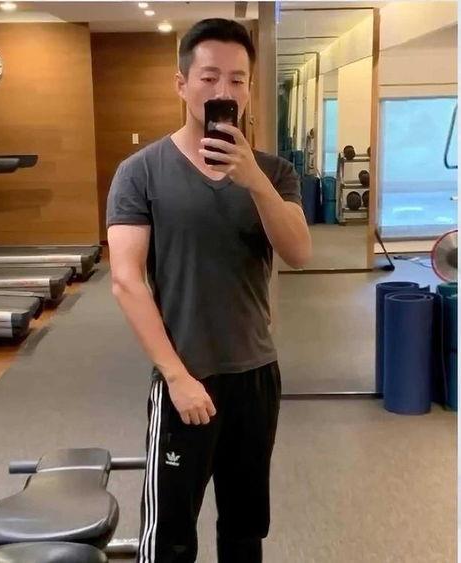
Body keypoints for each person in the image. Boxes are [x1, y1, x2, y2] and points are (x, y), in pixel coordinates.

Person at [107, 18, 312, 563]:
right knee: (170, 535)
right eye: (209, 77)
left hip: (256, 375)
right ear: (181, 84)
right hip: (186, 374)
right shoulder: (140, 172)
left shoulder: (274, 173)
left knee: (245, 529)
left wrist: (254, 182)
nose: (225, 90)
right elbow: (126, 281)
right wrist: (176, 377)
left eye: (238, 80)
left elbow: (298, 252)